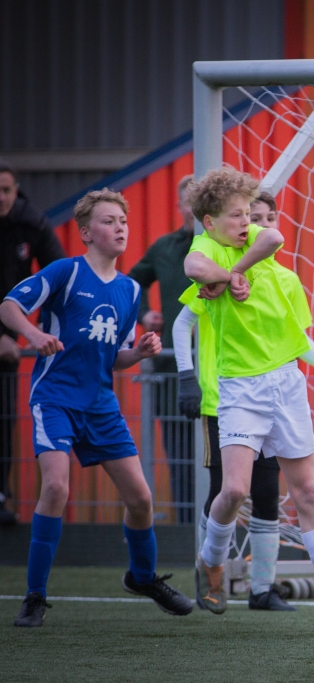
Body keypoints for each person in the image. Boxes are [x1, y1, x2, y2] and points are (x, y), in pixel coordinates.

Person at [183, 168, 314, 627]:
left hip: (286, 382)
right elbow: (195, 269)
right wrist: (225, 276)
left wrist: (235, 273)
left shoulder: (257, 245)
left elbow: (274, 237)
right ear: (209, 222)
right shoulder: (205, 248)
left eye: (249, 214)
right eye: (236, 215)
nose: (246, 222)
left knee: (306, 490)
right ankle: (212, 561)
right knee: (234, 490)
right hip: (239, 386)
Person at [1, 189, 193, 627]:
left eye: (123, 221)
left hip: (101, 406)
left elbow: (115, 358)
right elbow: (9, 306)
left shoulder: (129, 290)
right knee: (56, 488)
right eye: (109, 221)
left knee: (141, 499)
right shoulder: (66, 271)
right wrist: (33, 335)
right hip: (55, 398)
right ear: (86, 233)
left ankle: (142, 577)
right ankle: (34, 596)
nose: (120, 228)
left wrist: (139, 353)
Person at [0, 160, 66, 526]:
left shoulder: (31, 223)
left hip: (12, 335)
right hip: (4, 334)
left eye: (6, 190)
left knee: (4, 418)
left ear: (16, 190)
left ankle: (1, 497)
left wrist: (38, 328)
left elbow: (59, 274)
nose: (1, 197)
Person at [127, 174, 196, 524]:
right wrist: (144, 314)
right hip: (173, 369)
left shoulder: (226, 248)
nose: (196, 206)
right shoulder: (164, 248)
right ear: (180, 205)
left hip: (220, 366)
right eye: (190, 199)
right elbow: (133, 280)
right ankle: (185, 526)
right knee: (180, 451)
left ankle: (220, 527)